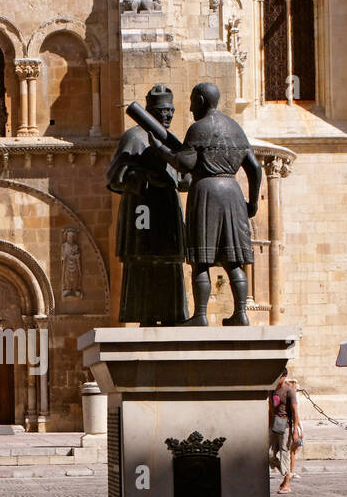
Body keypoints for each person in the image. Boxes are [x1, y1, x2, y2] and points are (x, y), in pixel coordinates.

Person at [154, 81, 262, 325]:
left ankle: (200, 315)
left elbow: (184, 163)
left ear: (201, 101)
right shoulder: (235, 128)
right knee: (234, 260)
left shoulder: (198, 129)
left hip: (207, 192)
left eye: (192, 102)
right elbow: (255, 168)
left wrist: (160, 149)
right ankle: (241, 313)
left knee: (201, 260)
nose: (191, 109)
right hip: (233, 193)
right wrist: (252, 202)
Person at [106, 84, 188, 324]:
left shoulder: (170, 140)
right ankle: (147, 315)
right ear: (150, 110)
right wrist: (144, 177)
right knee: (142, 260)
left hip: (167, 208)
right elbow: (114, 177)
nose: (168, 115)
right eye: (162, 110)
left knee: (169, 261)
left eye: (171, 110)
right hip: (142, 208)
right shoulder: (133, 137)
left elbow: (185, 180)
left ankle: (172, 315)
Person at [269, 373, 300, 494]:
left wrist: (296, 430)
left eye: (280, 375)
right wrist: (269, 426)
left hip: (286, 425)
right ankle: (286, 473)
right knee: (269, 454)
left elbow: (295, 412)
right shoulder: (271, 390)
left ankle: (287, 482)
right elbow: (271, 409)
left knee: (284, 452)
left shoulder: (289, 391)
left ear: (285, 376)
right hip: (274, 425)